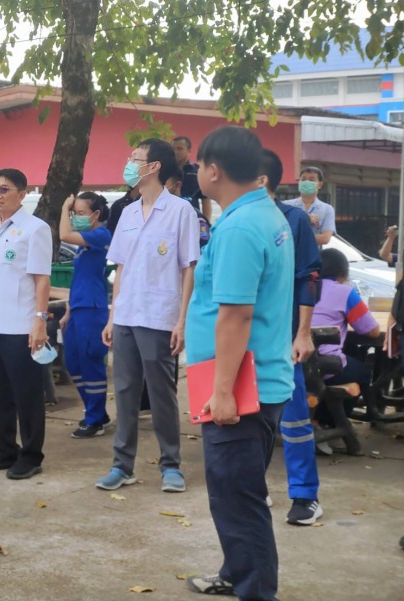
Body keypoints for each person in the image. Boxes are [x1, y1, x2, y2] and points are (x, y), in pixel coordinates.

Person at [184, 127, 294, 600]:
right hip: (255, 378)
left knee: (239, 500)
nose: (196, 173)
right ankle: (236, 571)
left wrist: (224, 391)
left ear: (214, 170)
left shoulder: (239, 227)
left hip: (240, 388)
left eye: (197, 166)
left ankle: (255, 590)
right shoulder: (264, 214)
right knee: (232, 494)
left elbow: (236, 313)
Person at [96, 138, 199, 493]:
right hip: (126, 314)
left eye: (135, 158)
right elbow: (120, 268)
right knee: (124, 391)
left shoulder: (181, 211)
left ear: (154, 166)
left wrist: (181, 321)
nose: (128, 163)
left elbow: (189, 269)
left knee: (161, 395)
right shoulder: (126, 211)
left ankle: (171, 465)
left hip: (159, 316)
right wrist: (112, 316)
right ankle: (122, 465)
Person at [0, 168, 52, 480]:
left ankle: (31, 455)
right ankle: (4, 448)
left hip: (20, 325)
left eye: (5, 189)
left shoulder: (35, 228)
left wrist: (39, 321)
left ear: (22, 193)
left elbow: (42, 279)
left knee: (26, 393)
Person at [260, 149, 324, 526]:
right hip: (245, 338)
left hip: (283, 340)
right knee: (251, 419)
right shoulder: (234, 220)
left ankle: (305, 496)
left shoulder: (292, 219)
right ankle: (256, 485)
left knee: (294, 418)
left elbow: (309, 277)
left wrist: (303, 333)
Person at [58, 192, 112, 438]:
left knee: (91, 361)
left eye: (80, 213)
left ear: (96, 215)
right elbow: (78, 279)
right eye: (74, 213)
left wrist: (64, 209)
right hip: (78, 307)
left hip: (92, 307)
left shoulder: (100, 235)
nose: (75, 217)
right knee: (73, 361)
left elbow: (64, 235)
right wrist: (68, 310)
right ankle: (95, 410)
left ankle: (96, 418)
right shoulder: (84, 244)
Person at [311, 248, 380, 429]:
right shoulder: (345, 292)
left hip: (296, 361)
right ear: (342, 273)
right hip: (326, 364)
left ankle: (319, 414)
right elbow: (373, 331)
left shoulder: (302, 288)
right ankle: (333, 420)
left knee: (351, 355)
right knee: (364, 373)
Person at [283, 167, 336, 246]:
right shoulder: (286, 205)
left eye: (311, 180)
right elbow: (280, 233)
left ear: (320, 185)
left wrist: (295, 236)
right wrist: (305, 218)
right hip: (290, 256)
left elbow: (325, 238)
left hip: (313, 256)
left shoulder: (327, 209)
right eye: (303, 179)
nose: (306, 182)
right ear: (299, 182)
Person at [172, 135, 212, 222]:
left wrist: (206, 223)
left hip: (192, 219)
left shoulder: (197, 172)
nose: (175, 152)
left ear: (189, 151)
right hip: (170, 218)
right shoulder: (166, 171)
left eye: (179, 148)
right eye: (173, 149)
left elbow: (205, 200)